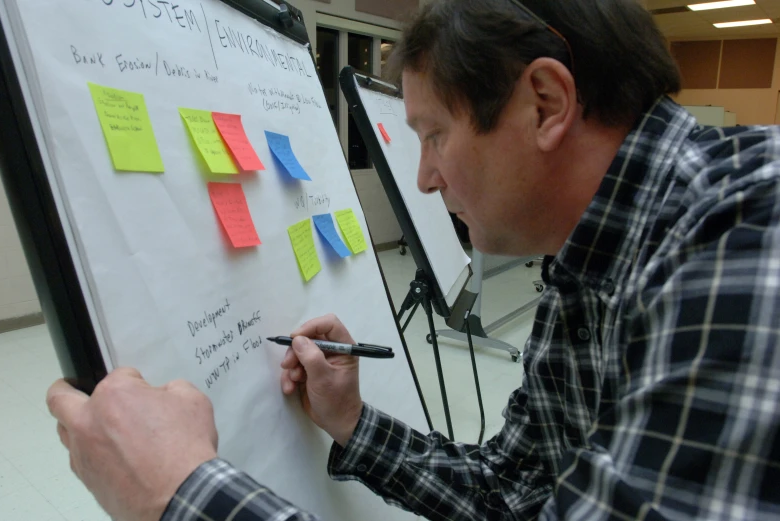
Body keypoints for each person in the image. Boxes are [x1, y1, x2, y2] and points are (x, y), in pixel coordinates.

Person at [46, 0, 780, 519]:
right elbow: (513, 495)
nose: (425, 179)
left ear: (546, 104)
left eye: (434, 135)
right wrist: (355, 421)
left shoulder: (744, 241)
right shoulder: (586, 266)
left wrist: (182, 492)